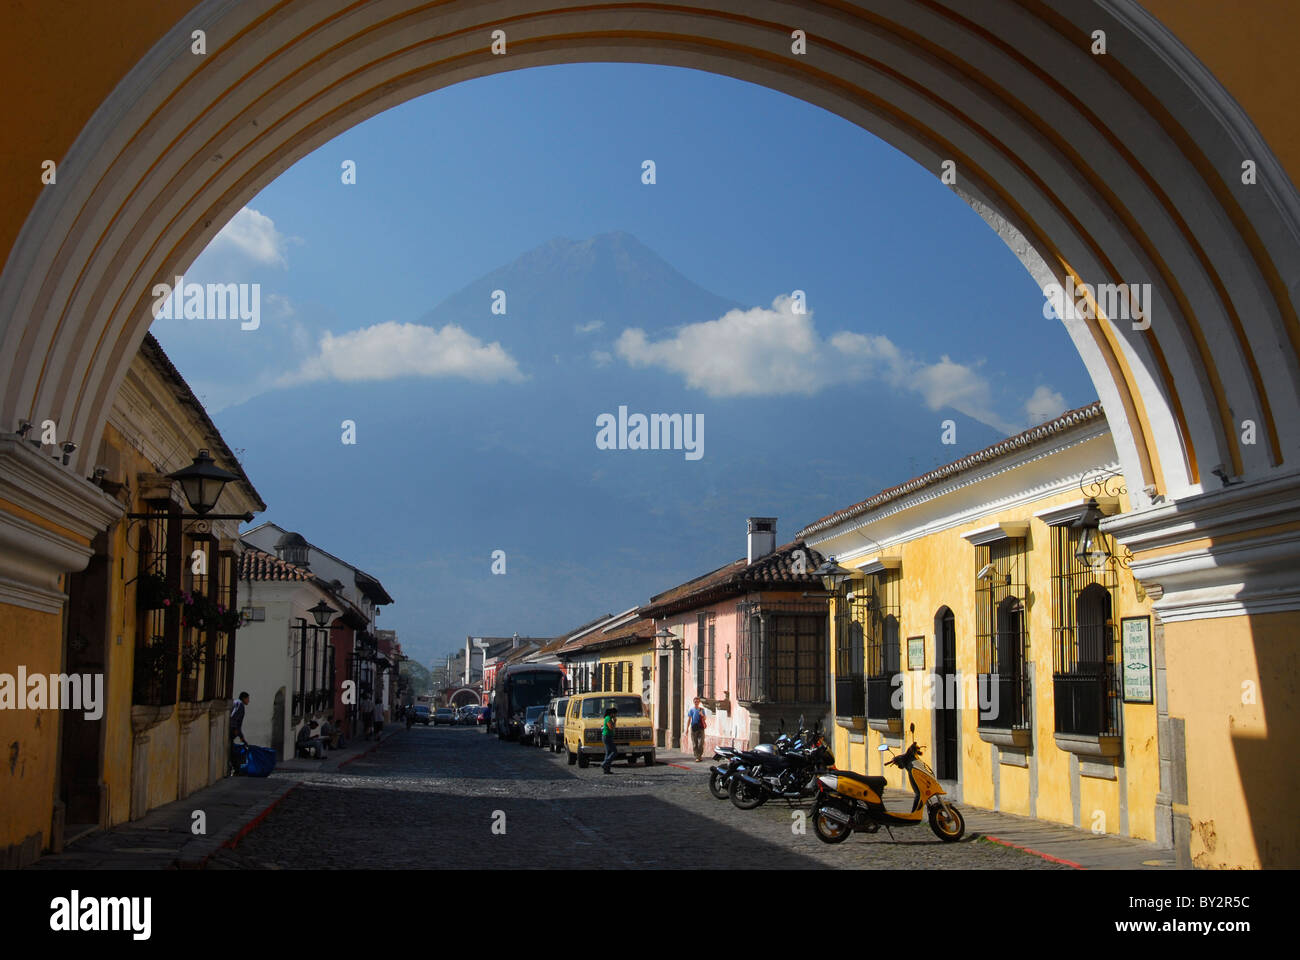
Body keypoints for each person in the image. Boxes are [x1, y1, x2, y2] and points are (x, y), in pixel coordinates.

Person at [228, 691, 249, 775]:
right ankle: (236, 770)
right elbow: (234, 717)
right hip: (232, 730)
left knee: (232, 750)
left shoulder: (236, 702)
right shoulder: (240, 705)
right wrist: (235, 729)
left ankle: (235, 769)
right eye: (248, 698)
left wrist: (242, 738)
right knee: (232, 751)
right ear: (244, 698)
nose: (248, 701)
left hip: (232, 730)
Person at [686, 697, 708, 761]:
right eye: (695, 702)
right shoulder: (691, 710)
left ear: (699, 702)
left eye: (697, 702)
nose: (696, 703)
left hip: (701, 728)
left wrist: (702, 715)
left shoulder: (702, 710)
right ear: (693, 702)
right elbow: (689, 719)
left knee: (701, 743)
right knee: (695, 744)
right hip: (694, 728)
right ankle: (697, 757)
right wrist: (687, 728)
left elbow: (705, 718)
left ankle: (700, 755)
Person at [601, 706, 619, 774]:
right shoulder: (608, 718)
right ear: (612, 713)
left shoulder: (609, 718)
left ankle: (606, 770)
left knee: (608, 753)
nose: (615, 716)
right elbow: (611, 728)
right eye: (615, 714)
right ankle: (604, 764)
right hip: (607, 737)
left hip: (609, 736)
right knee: (614, 752)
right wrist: (614, 722)